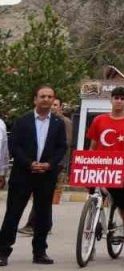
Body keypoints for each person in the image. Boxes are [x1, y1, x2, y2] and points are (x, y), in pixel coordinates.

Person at [0, 83, 67, 266]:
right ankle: (3, 252)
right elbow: (14, 146)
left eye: (50, 97)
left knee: (43, 215)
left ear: (54, 100)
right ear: (35, 99)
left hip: (46, 176)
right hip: (23, 174)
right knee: (13, 214)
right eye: (42, 96)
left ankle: (40, 253)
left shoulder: (57, 123)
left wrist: (49, 164)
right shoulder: (23, 120)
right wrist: (29, 163)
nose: (46, 100)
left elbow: (62, 147)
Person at [88, 86, 124, 260]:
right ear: (111, 99)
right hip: (100, 169)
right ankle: (89, 246)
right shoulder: (99, 120)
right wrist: (87, 166)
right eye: (116, 98)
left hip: (123, 171)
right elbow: (93, 146)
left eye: (122, 98)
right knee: (92, 206)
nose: (119, 101)